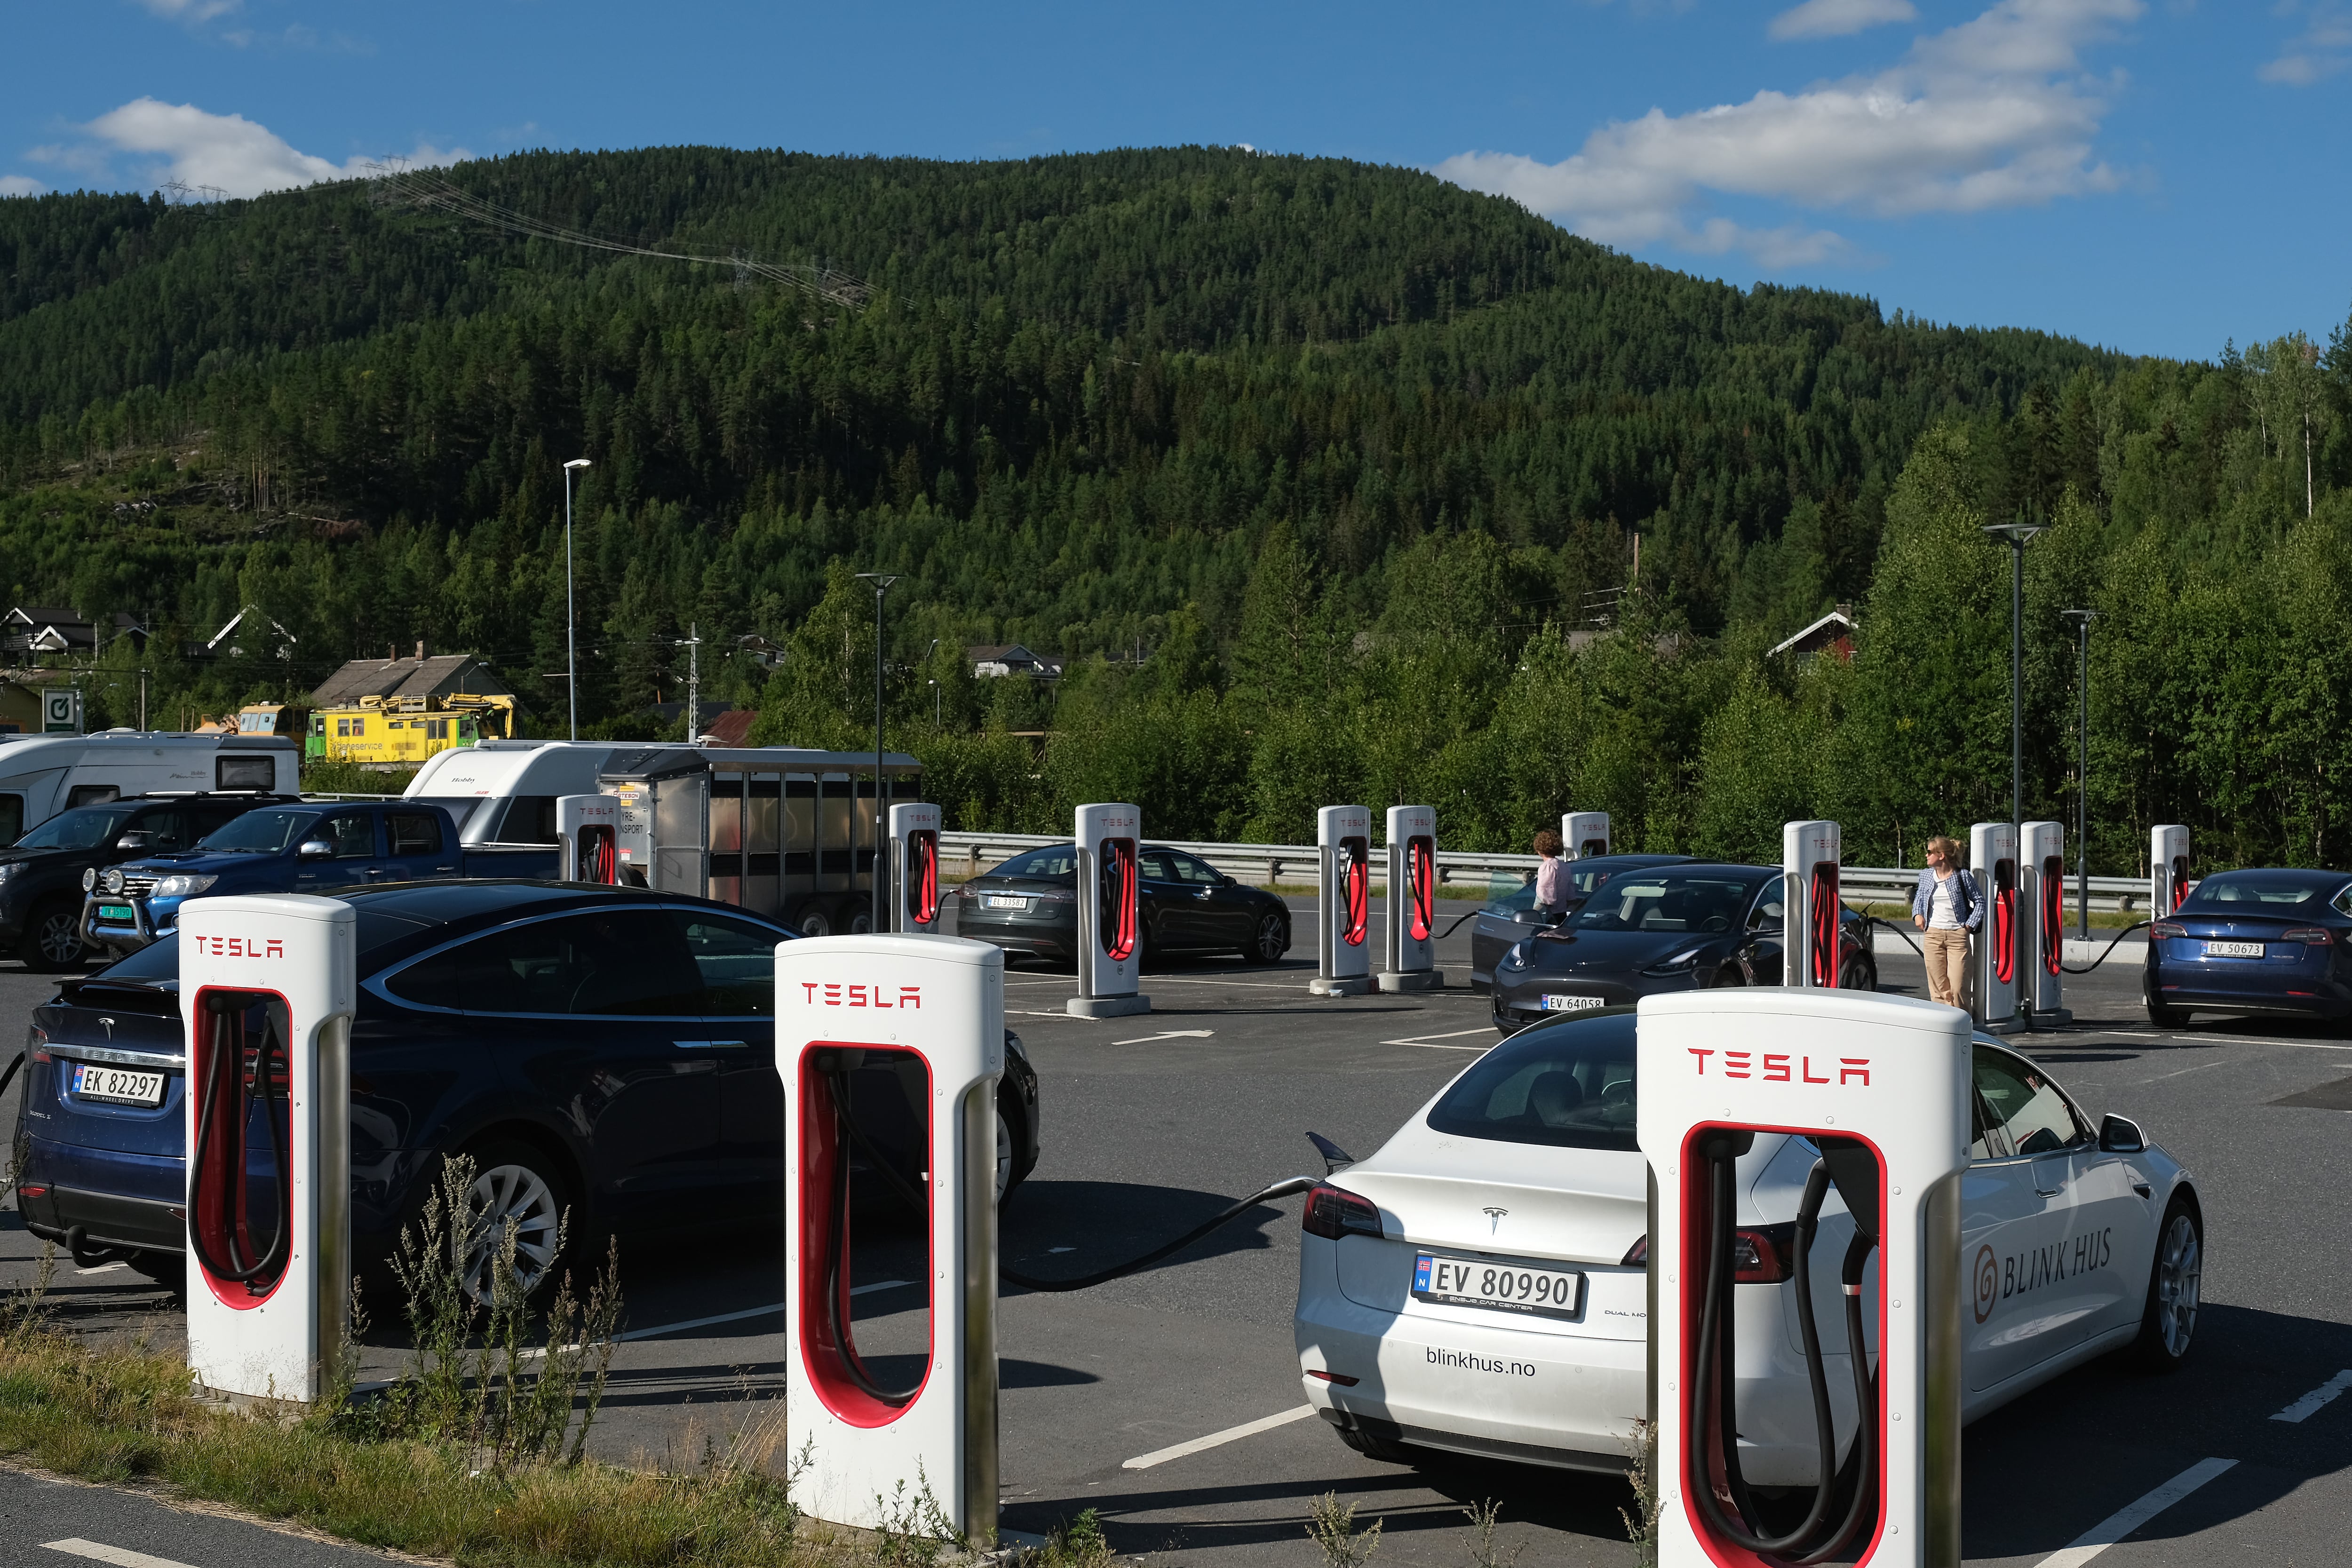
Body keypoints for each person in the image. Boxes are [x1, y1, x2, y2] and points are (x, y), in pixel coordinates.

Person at [1912, 836, 1981, 1010]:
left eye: (1929, 852)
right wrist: (1917, 915)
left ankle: (1963, 1026)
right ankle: (1944, 1028)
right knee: (1938, 990)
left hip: (1958, 937)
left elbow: (1980, 901)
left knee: (1958, 988)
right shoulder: (1926, 875)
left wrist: (1969, 925)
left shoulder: (1962, 876)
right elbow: (1919, 898)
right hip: (1933, 935)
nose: (1926, 855)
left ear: (1941, 855)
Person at [1533, 828, 1571, 920]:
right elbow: (1570, 894)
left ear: (1539, 849)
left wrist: (1534, 913)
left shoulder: (1547, 867)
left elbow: (1546, 898)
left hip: (1548, 916)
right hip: (1562, 914)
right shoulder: (1564, 866)